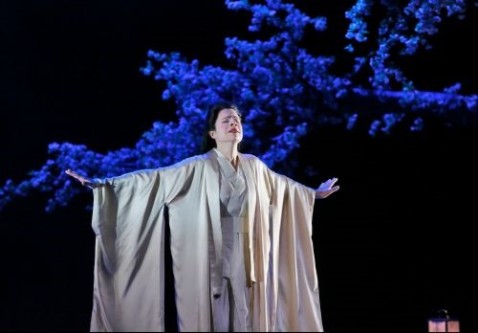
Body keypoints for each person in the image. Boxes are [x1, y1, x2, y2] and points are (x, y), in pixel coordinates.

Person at [66, 102, 339, 332]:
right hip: (211, 254)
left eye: (237, 120)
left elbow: (283, 188)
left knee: (247, 315)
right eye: (227, 120)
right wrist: (103, 183)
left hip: (247, 253)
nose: (234, 124)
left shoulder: (254, 166)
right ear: (212, 132)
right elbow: (155, 179)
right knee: (213, 315)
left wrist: (313, 193)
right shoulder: (197, 167)